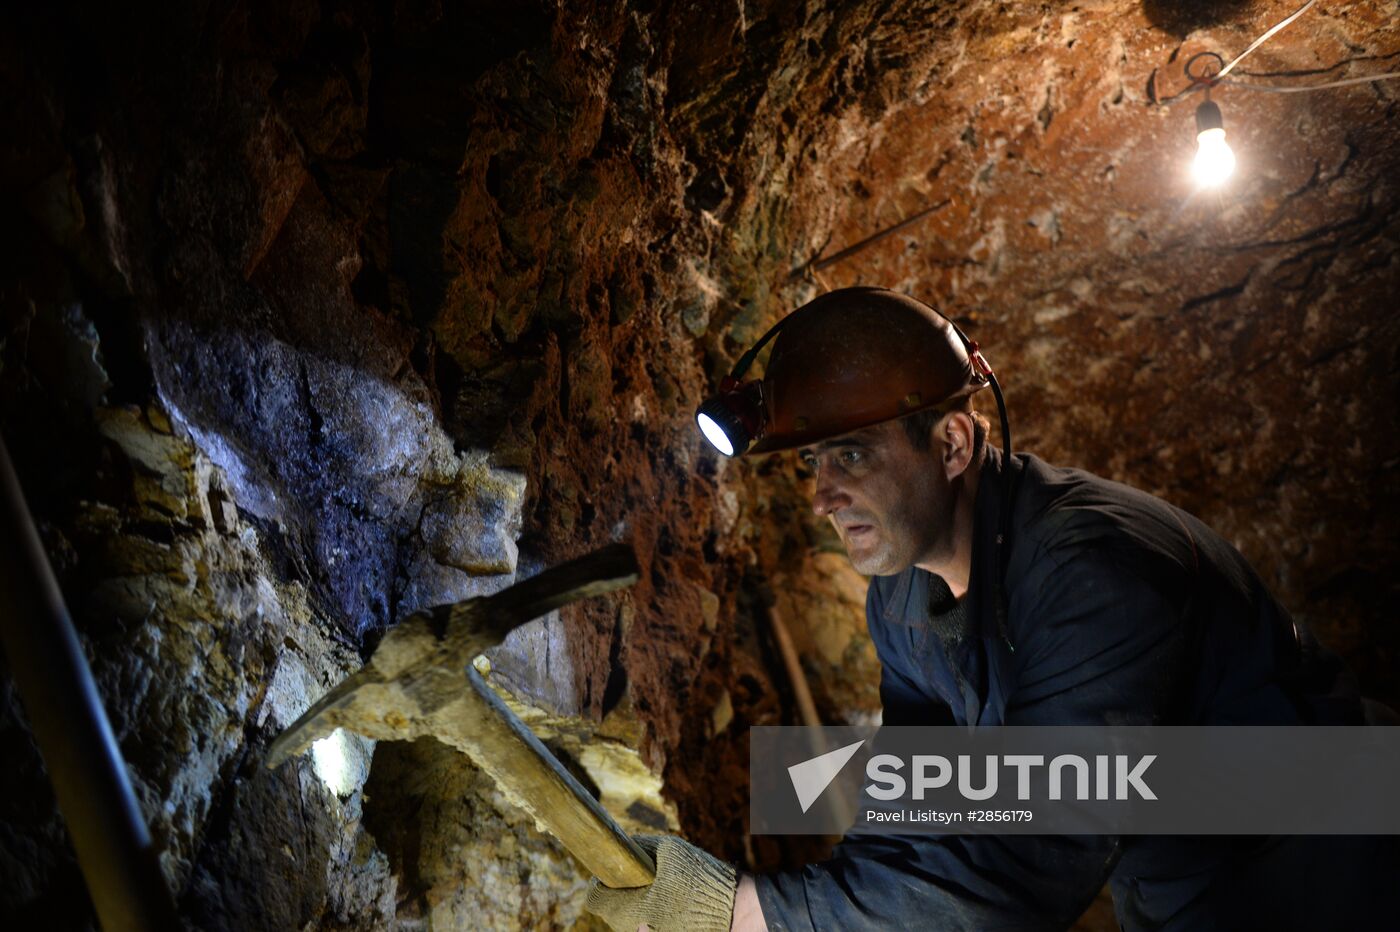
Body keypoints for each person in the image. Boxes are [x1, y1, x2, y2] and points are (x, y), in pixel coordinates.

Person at [585, 287, 1397, 932]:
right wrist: (820, 902)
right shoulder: (902, 596)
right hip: (1175, 869)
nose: (823, 497)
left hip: (1327, 852)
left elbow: (1027, 856)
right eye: (814, 463)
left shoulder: (1094, 572)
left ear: (952, 446)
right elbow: (926, 793)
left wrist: (753, 916)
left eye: (853, 455)